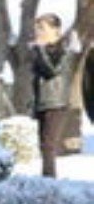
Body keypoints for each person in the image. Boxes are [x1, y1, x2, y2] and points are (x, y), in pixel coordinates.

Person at [29, 14, 77, 177]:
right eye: (37, 28)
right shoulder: (41, 50)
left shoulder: (64, 49)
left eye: (42, 28)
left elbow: (51, 71)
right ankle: (47, 179)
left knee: (48, 144)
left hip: (56, 103)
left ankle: (50, 181)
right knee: (43, 145)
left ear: (56, 30)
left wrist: (39, 50)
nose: (38, 32)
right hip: (42, 102)